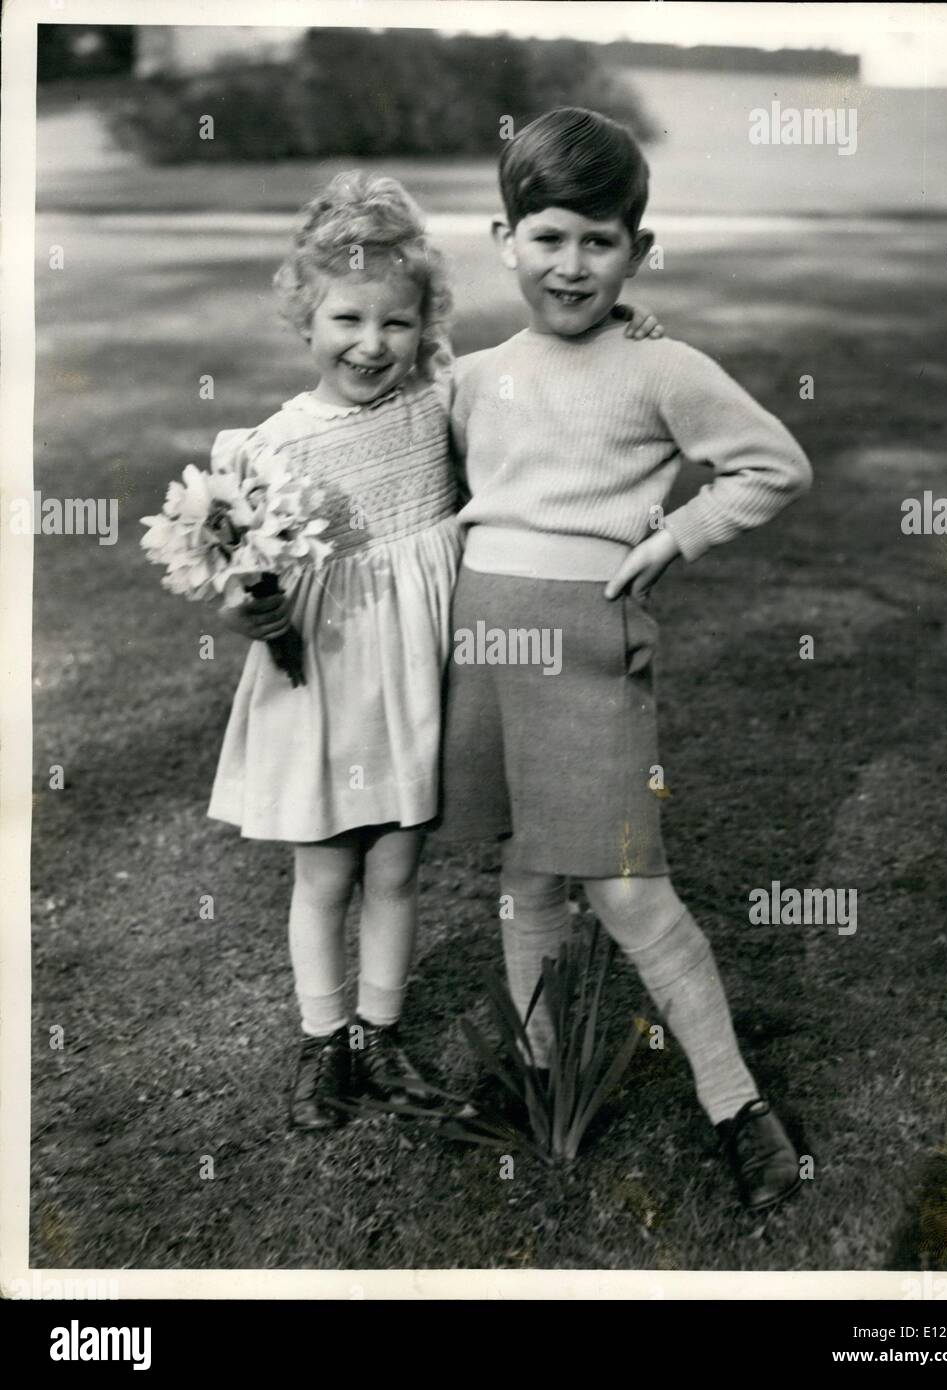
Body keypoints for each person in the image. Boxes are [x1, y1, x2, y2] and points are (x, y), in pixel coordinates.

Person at [206, 168, 661, 1133]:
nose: (372, 345)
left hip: (417, 679)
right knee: (327, 874)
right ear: (304, 317)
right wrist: (247, 612)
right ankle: (323, 1042)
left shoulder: (439, 405)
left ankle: (379, 1032)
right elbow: (238, 579)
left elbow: (545, 374)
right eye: (347, 320)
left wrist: (633, 332)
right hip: (322, 683)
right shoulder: (265, 448)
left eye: (396, 324)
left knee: (398, 870)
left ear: (425, 325)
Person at [440, 108, 813, 1210]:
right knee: (525, 869)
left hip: (589, 645)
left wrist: (673, 535)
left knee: (627, 882)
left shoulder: (664, 366)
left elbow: (772, 463)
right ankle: (539, 1066)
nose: (571, 263)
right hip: (482, 639)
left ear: (637, 253)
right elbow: (440, 492)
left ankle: (735, 1102)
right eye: (547, 236)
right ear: (503, 236)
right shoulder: (469, 375)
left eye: (600, 241)